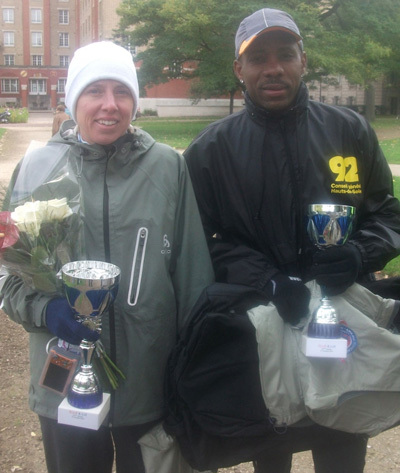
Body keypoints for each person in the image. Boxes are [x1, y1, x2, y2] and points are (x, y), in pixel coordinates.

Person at [184, 7, 400, 473]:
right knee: (273, 445)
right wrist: (268, 279)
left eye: (285, 54)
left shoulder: (348, 130)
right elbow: (202, 241)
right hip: (266, 326)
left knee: (342, 439)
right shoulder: (210, 150)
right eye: (258, 58)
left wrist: (359, 253)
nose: (273, 68)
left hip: (344, 324)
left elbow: (387, 213)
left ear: (304, 60)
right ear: (239, 69)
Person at [0, 41, 214, 473]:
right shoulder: (38, 167)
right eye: (95, 90)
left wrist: (194, 369)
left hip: (150, 381)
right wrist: (46, 309)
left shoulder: (167, 167)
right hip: (63, 381)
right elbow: (8, 273)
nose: (110, 106)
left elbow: (193, 274)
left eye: (122, 92)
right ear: (74, 98)